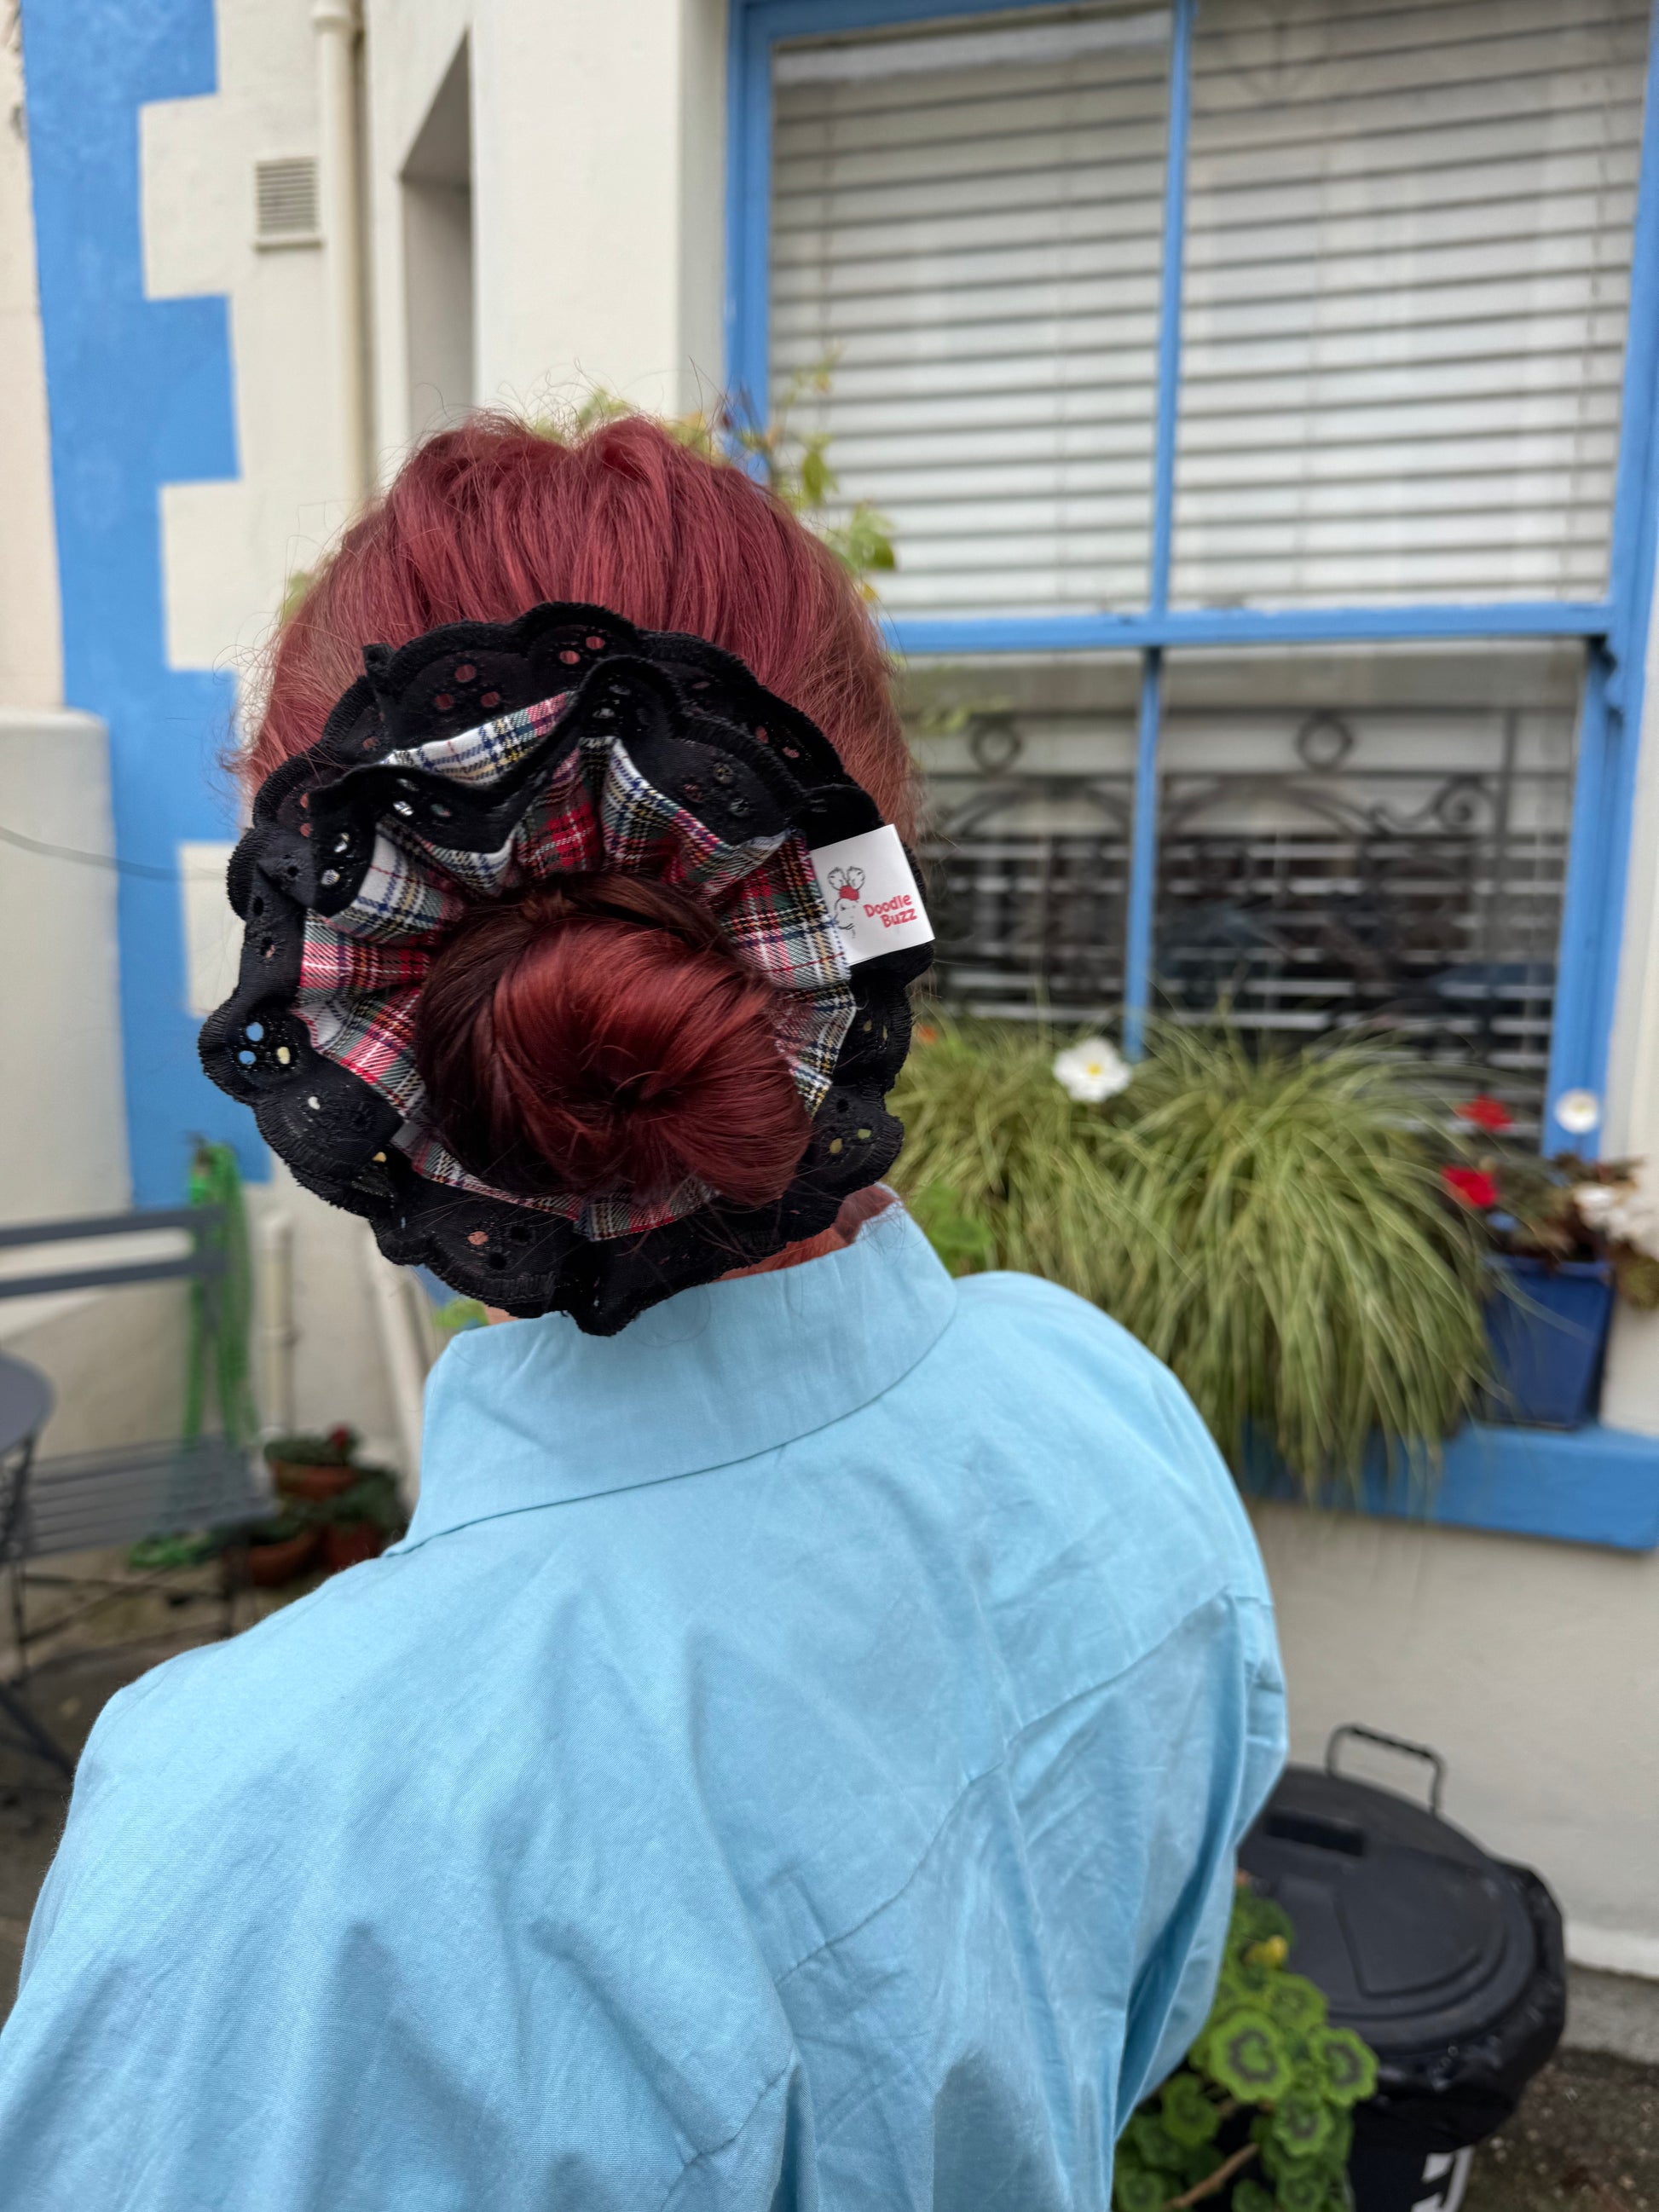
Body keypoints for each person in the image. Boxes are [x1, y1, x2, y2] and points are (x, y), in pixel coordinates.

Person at [0, 416, 1286, 2210]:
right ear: (865, 897)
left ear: (341, 976)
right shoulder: (1099, 1406)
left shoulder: (277, 1851)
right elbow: (1126, 2019)